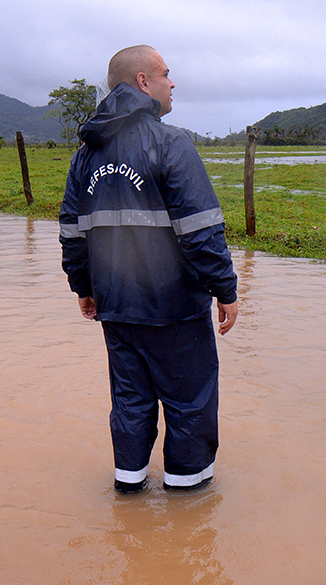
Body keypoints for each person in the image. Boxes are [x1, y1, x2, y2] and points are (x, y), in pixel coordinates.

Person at [59, 45, 239, 494]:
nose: (172, 82)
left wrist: (83, 287)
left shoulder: (85, 155)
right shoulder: (170, 142)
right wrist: (226, 289)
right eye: (166, 73)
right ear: (142, 81)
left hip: (116, 308)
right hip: (173, 308)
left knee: (130, 402)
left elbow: (72, 233)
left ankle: (130, 488)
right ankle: (186, 500)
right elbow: (200, 231)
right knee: (189, 401)